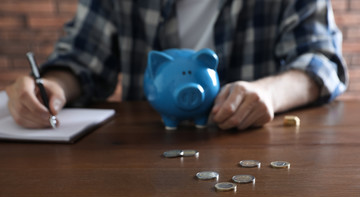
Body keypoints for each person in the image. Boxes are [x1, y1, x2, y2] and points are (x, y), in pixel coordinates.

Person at [6, 0, 348, 130]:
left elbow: (323, 61)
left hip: (246, 144)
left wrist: (268, 93)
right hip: (146, 155)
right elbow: (80, 58)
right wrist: (53, 86)